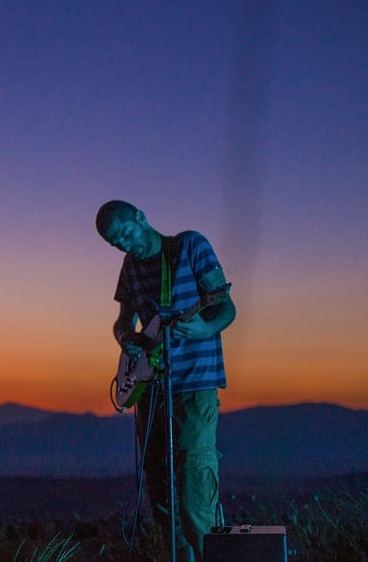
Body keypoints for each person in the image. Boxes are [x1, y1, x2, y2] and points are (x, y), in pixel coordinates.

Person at [95, 200, 236, 562]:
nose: (124, 244)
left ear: (141, 217)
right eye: (115, 242)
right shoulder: (129, 267)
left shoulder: (189, 245)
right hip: (153, 390)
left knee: (194, 493)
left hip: (194, 387)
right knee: (161, 499)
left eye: (126, 233)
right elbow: (122, 321)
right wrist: (125, 338)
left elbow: (225, 307)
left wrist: (203, 327)